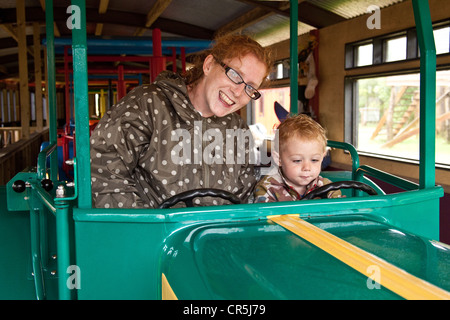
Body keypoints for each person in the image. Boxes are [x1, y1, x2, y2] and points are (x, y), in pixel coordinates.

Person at [90, 34, 273, 208]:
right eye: (234, 75)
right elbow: (104, 172)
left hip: (215, 237)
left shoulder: (237, 128)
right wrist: (150, 229)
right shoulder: (148, 103)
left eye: (250, 87)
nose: (239, 92)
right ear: (209, 65)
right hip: (153, 236)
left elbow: (245, 191)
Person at [253, 114, 341, 202]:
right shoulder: (267, 189)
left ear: (322, 157)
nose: (307, 168)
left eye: (314, 160)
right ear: (278, 159)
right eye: (297, 160)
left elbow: (341, 212)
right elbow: (267, 214)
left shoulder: (328, 188)